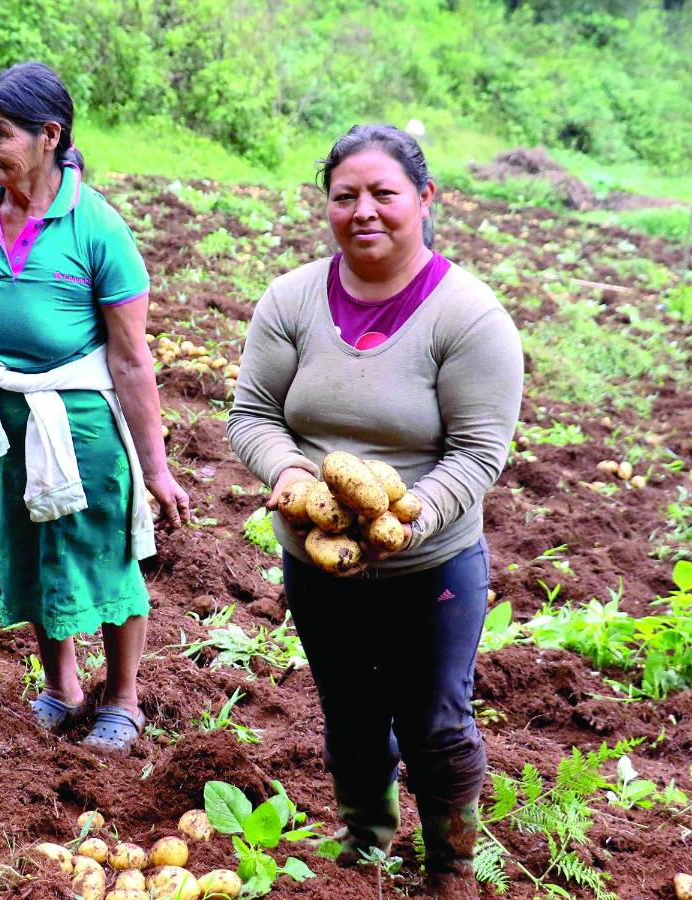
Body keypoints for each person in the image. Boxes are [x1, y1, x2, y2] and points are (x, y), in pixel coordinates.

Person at [227, 124, 523, 899]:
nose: (363, 211)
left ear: (425, 199)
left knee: (435, 721)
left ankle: (452, 864)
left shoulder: (469, 317)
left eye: (384, 194)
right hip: (318, 557)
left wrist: (410, 515)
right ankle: (363, 848)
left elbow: (478, 453)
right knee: (351, 712)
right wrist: (291, 473)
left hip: (433, 561)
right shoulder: (291, 300)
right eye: (344, 196)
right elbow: (252, 414)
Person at [0, 61, 189, 754]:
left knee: (104, 554)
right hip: (1, 419)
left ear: (49, 135)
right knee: (27, 548)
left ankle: (125, 697)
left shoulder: (97, 228)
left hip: (81, 421)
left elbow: (131, 358)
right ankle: (61, 686)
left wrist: (157, 469)